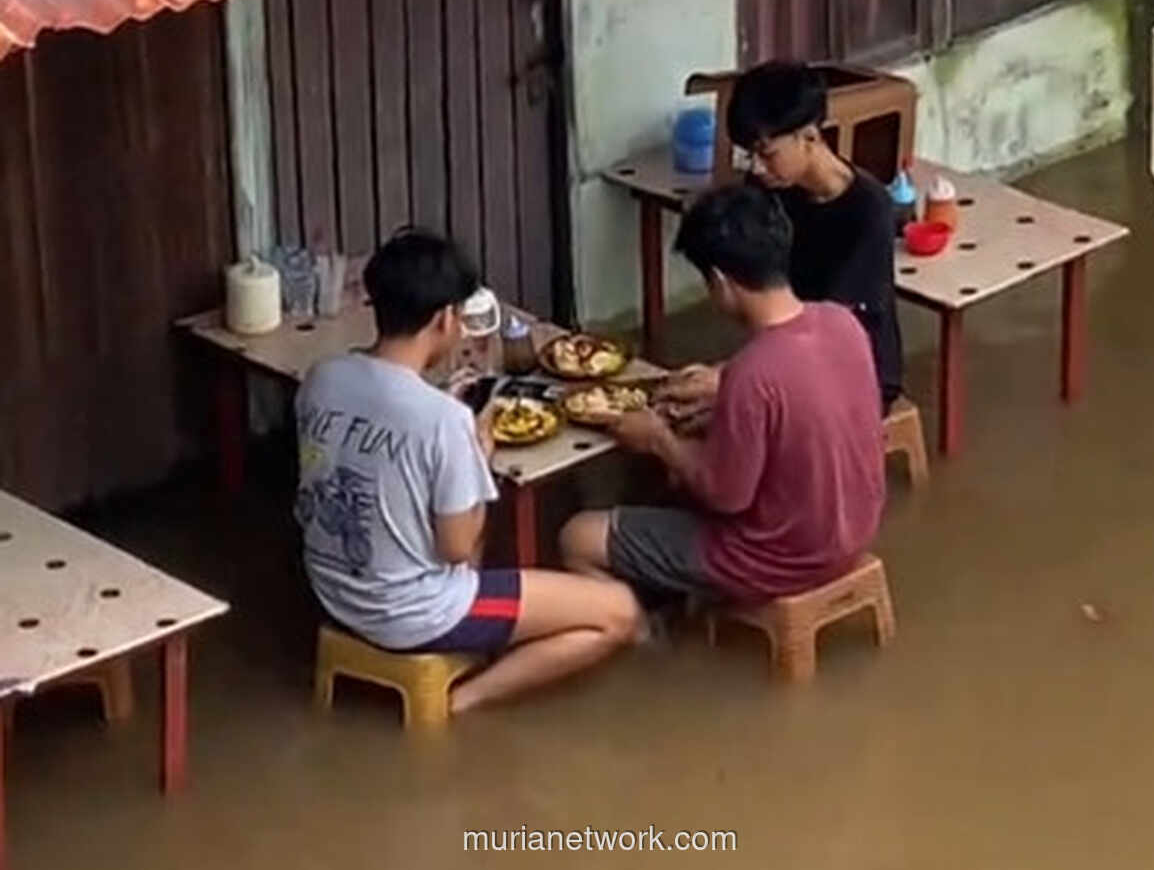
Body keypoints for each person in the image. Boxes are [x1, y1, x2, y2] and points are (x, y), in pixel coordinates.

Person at [294, 228, 639, 714]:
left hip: (331, 590)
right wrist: (477, 457)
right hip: (410, 611)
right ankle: (461, 700)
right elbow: (455, 547)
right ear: (445, 318)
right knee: (619, 612)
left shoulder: (322, 380)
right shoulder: (443, 420)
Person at [559, 186, 886, 607]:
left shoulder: (753, 374)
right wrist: (718, 401)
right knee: (669, 472)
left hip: (778, 559)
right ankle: (671, 598)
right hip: (852, 530)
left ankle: (641, 636)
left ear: (719, 281)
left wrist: (659, 438)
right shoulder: (841, 322)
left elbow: (726, 495)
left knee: (577, 537)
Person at [665, 61, 903, 418]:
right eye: (751, 154)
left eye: (767, 153)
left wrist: (734, 378)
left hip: (854, 369)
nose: (757, 168)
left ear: (809, 136)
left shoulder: (868, 211)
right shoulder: (768, 187)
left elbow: (830, 329)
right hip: (786, 349)